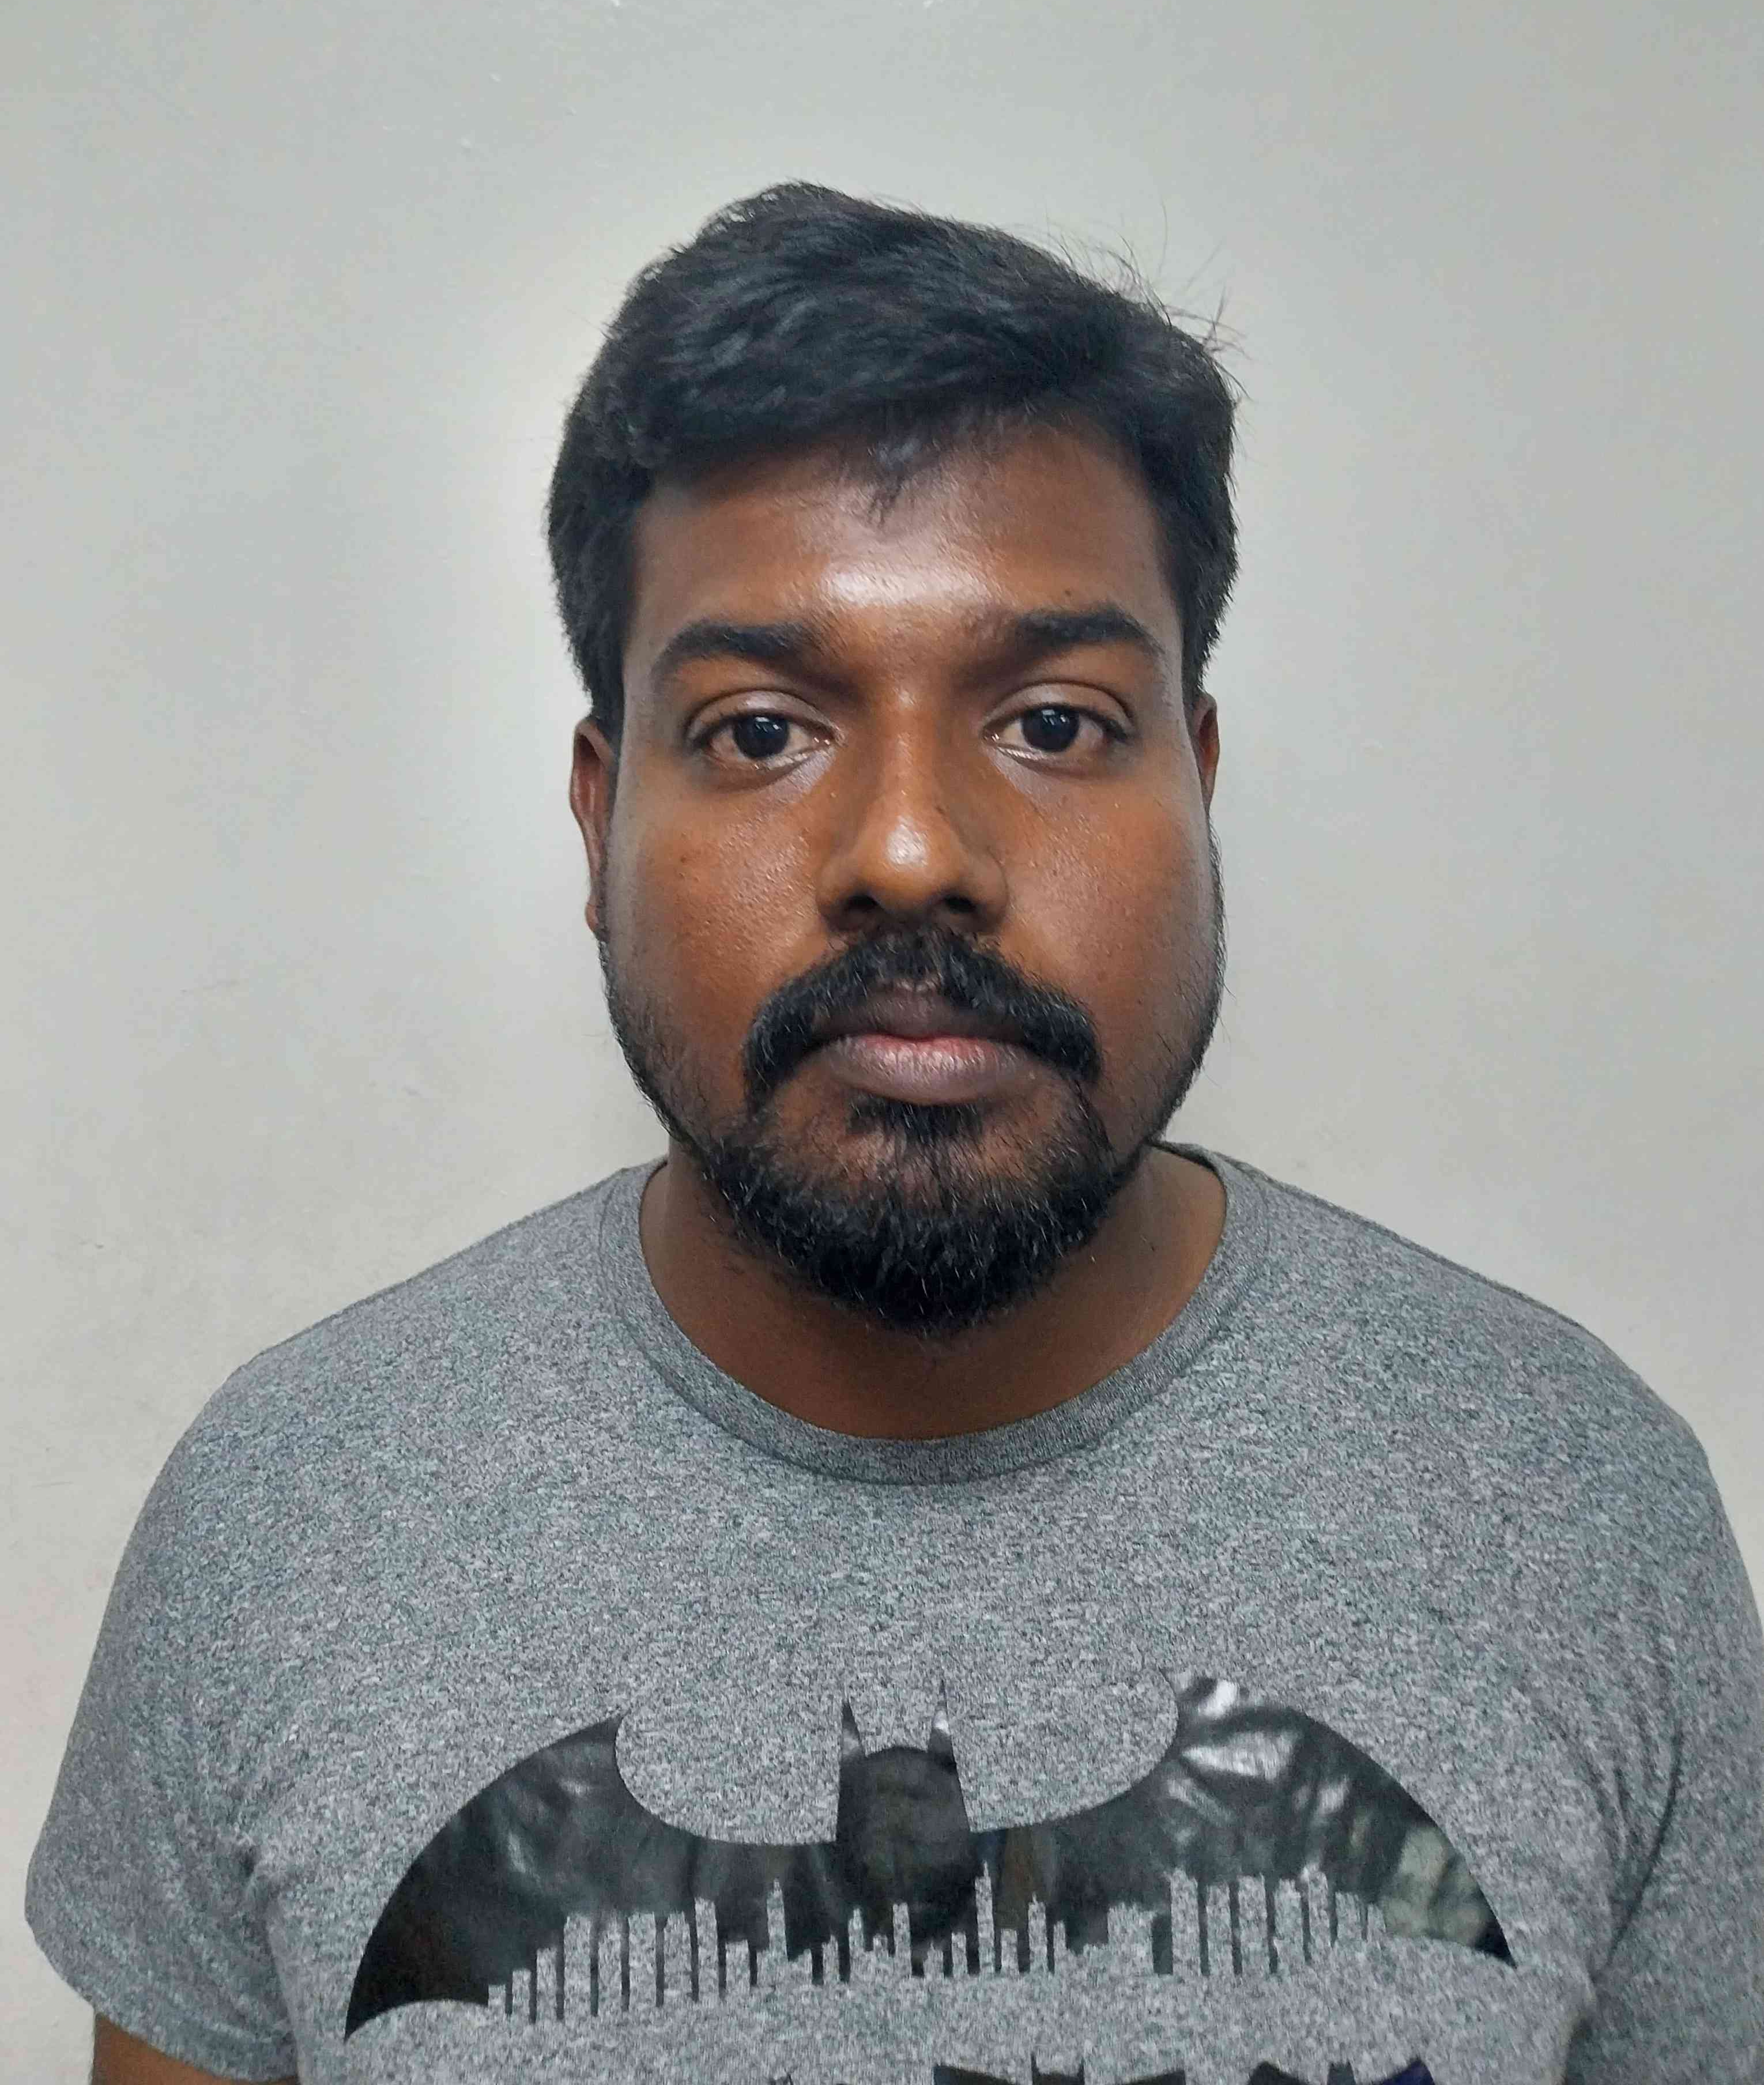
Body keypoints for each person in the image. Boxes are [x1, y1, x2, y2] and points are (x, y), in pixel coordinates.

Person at [29, 184, 1763, 2085]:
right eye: (761, 730)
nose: (913, 849)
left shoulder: (1563, 1500)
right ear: (599, 823)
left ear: (1200, 785)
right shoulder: (295, 1518)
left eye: (1055, 722)